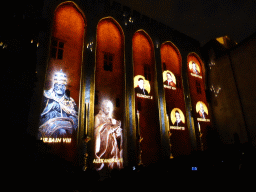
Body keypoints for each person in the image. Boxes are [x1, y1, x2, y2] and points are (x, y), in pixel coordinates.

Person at [39, 70, 78, 138]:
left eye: (62, 85)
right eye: (57, 85)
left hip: (64, 130)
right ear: (54, 85)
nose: (59, 87)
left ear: (65, 87)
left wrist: (62, 123)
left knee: (62, 132)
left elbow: (75, 118)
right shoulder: (46, 96)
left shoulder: (70, 101)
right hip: (46, 128)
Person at [94, 100, 123, 170]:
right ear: (103, 107)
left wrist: (117, 131)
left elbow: (118, 135)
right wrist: (110, 129)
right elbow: (96, 131)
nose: (109, 109)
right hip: (103, 143)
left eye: (110, 107)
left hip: (112, 143)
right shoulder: (97, 117)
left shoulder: (112, 120)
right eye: (107, 107)